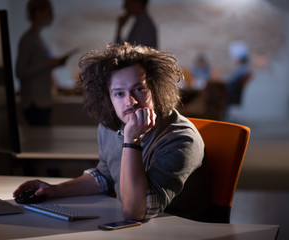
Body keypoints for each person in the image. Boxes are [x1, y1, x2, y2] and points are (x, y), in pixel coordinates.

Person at [13, 43, 210, 221]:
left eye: (139, 89)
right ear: (108, 98)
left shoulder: (181, 139)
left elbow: (135, 212)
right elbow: (104, 177)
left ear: (156, 89)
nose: (130, 101)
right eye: (119, 93)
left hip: (180, 231)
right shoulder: (113, 125)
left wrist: (132, 140)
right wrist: (54, 190)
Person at [16, 0, 76, 126]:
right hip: (34, 102)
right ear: (38, 13)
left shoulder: (37, 39)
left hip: (41, 100)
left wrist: (53, 64)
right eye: (49, 13)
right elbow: (20, 71)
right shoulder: (27, 40)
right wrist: (47, 65)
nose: (52, 17)